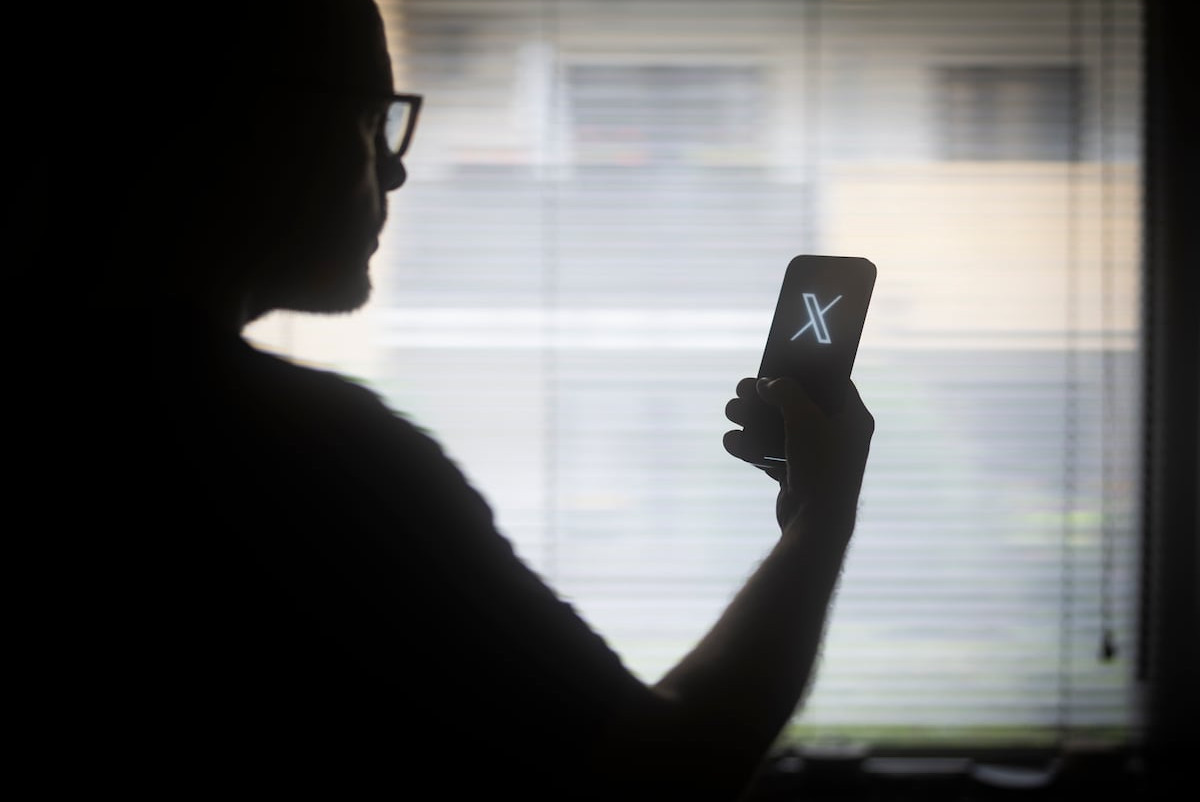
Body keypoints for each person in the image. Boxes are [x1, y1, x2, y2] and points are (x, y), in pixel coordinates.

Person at [25, 1, 873, 798]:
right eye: (369, 118)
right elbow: (662, 774)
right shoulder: (308, 458)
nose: (393, 166)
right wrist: (822, 516)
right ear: (245, 129)